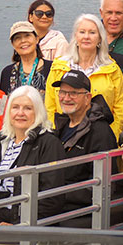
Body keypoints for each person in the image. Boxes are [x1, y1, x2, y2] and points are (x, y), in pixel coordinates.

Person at [0, 86, 64, 225]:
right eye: (15, 107)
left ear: (38, 112)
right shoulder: (3, 140)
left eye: (28, 108)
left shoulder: (49, 143)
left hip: (17, 214)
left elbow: (52, 198)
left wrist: (20, 224)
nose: (20, 113)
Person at [45, 14, 123, 138]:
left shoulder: (112, 69)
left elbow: (120, 109)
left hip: (101, 138)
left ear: (100, 38)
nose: (86, 37)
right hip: (63, 136)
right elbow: (49, 106)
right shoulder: (58, 67)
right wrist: (55, 136)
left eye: (92, 32)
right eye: (82, 32)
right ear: (75, 37)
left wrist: (110, 137)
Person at [51, 70, 117, 215]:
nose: (66, 98)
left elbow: (102, 186)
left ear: (88, 98)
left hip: (78, 210)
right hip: (55, 200)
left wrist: (57, 193)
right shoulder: (61, 126)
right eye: (62, 92)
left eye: (73, 93)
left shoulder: (100, 132)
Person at [0, 21, 52, 95]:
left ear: (37, 39)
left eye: (27, 36)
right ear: (13, 44)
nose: (23, 41)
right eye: (17, 38)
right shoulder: (7, 72)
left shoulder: (52, 69)